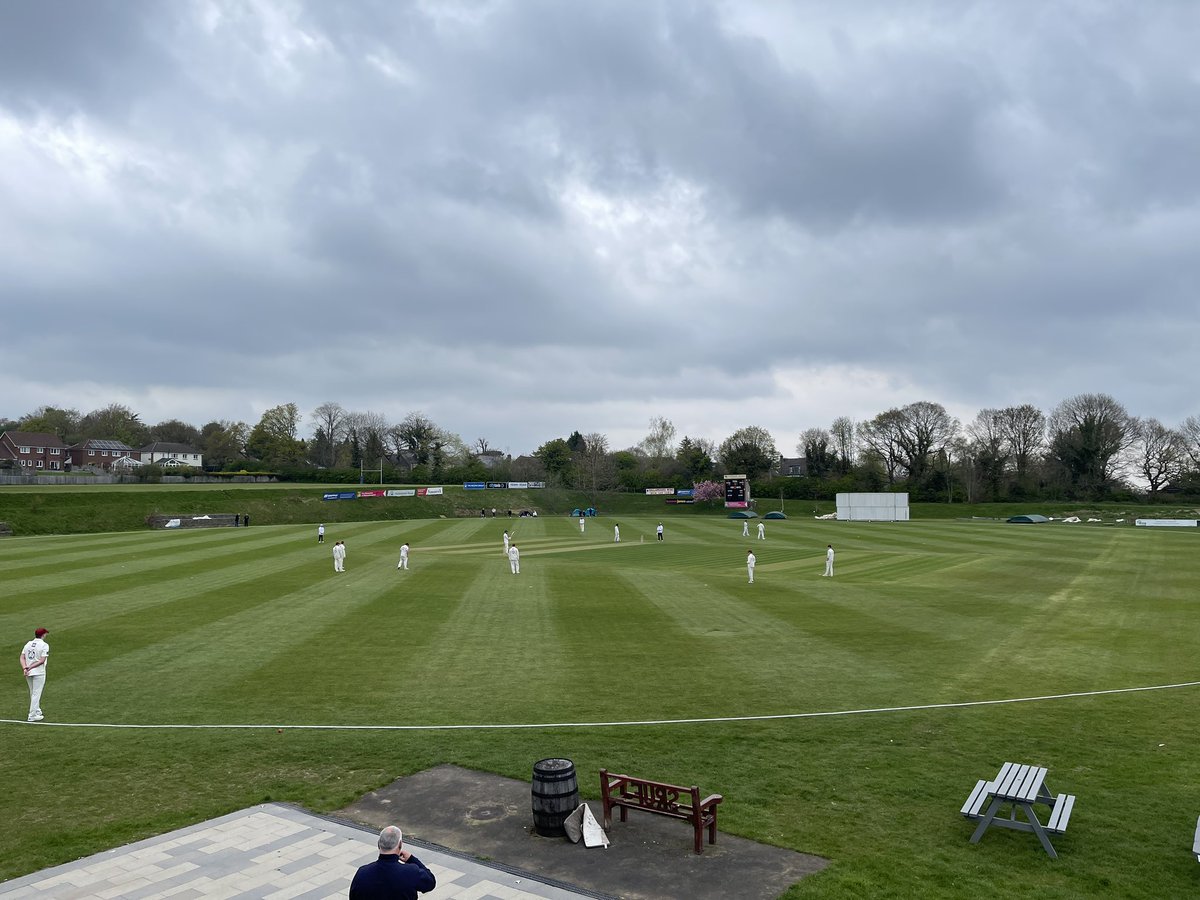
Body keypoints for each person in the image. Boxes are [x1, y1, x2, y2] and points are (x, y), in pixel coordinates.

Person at [349, 825, 435, 900]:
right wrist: (411, 859)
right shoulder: (411, 872)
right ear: (400, 845)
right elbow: (430, 882)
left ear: (379, 844)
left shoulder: (362, 873)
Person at [19, 627, 50, 723]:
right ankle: (32, 716)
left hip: (28, 672)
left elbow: (22, 657)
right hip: (38, 672)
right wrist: (30, 667)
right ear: (43, 635)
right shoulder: (44, 645)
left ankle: (37, 710)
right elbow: (42, 660)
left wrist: (25, 668)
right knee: (36, 693)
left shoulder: (28, 644)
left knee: (33, 692)